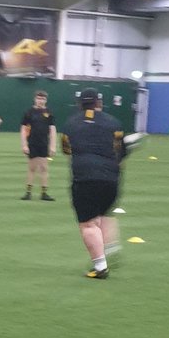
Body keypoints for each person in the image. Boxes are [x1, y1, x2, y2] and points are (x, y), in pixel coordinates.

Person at [61, 89, 126, 278]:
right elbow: (120, 151)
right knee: (104, 215)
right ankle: (110, 246)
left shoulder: (70, 123)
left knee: (88, 224)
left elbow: (66, 149)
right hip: (111, 179)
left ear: (79, 104)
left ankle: (100, 267)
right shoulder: (114, 123)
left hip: (85, 177)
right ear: (99, 103)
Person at [20, 90, 57, 201]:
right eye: (38, 98)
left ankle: (44, 193)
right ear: (35, 99)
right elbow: (23, 129)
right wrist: (24, 144)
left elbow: (52, 129)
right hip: (32, 143)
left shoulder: (49, 112)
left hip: (44, 143)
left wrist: (53, 145)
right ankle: (28, 192)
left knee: (44, 168)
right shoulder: (29, 112)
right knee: (32, 168)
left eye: (42, 99)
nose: (40, 101)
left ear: (46, 100)